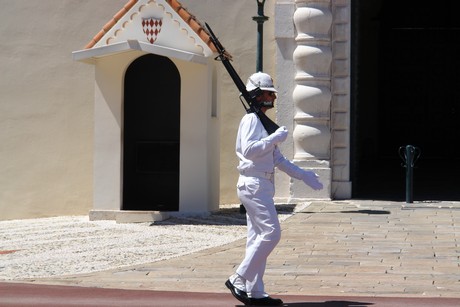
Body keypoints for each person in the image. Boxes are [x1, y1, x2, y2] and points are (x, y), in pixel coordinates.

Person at [225, 72, 323, 306]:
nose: (273, 97)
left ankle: (255, 291)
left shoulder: (260, 121)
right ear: (258, 95)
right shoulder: (251, 120)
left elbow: (278, 159)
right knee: (272, 233)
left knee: (257, 238)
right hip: (253, 183)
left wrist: (303, 175)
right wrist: (275, 138)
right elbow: (249, 151)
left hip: (261, 183)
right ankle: (239, 278)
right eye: (269, 93)